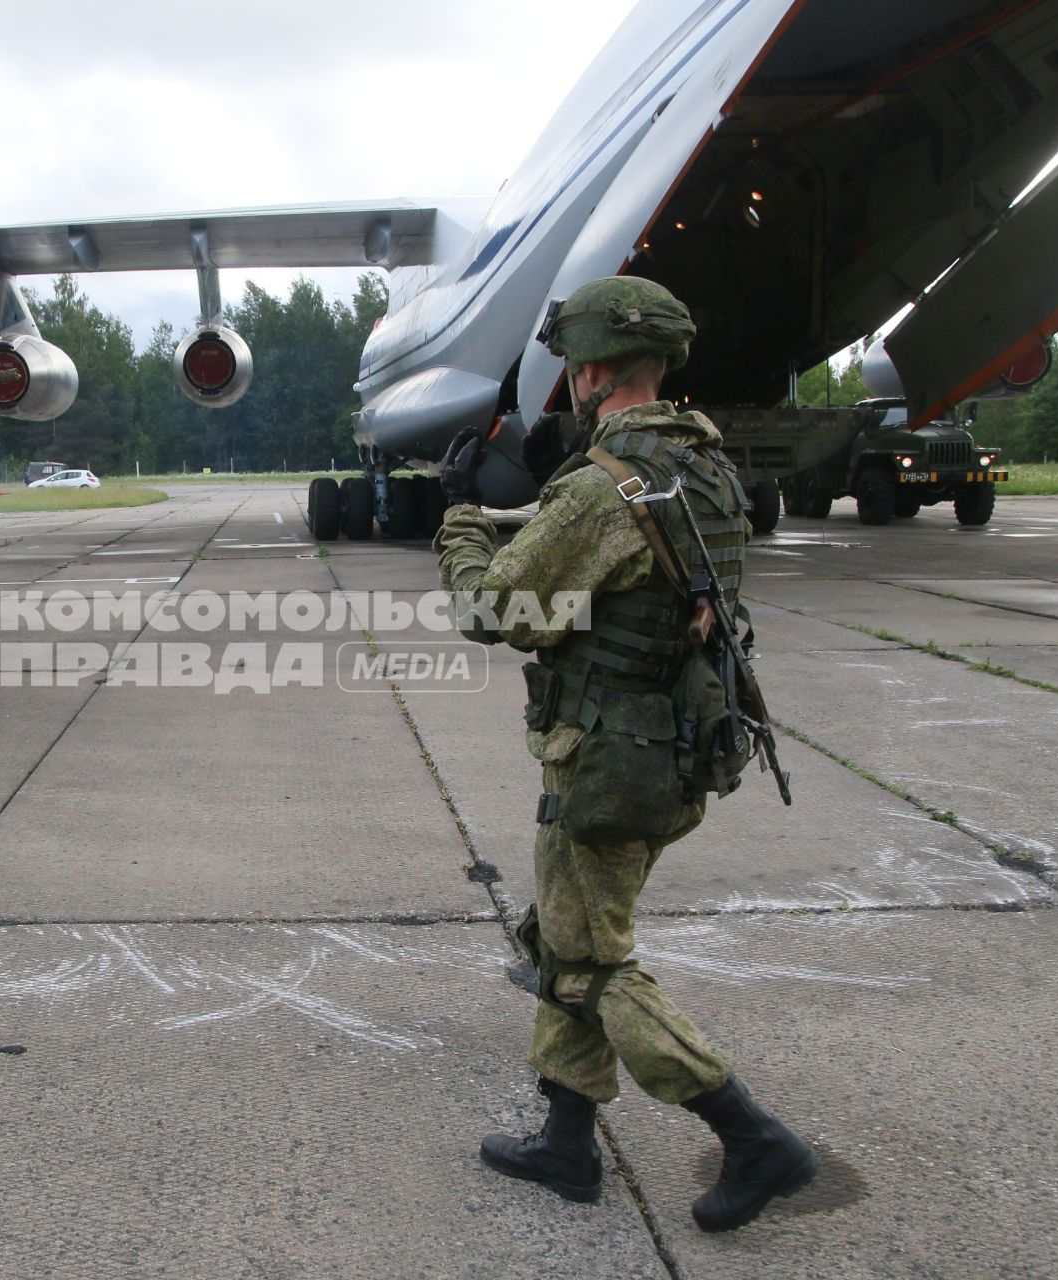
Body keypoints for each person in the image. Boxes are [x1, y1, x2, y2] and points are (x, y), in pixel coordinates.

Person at [433, 276, 815, 1231]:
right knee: (566, 932)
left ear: (594, 368)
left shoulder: (605, 489)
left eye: (571, 370)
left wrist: (461, 522)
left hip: (607, 760)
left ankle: (753, 1137)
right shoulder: (706, 470)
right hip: (677, 750)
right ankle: (567, 1144)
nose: (568, 385)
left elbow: (498, 609)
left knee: (586, 965)